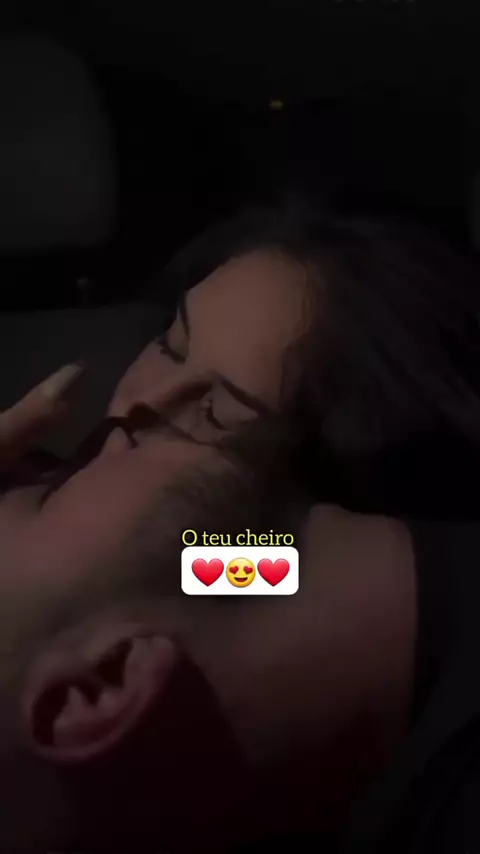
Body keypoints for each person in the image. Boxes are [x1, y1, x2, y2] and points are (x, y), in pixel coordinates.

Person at [2, 196, 480, 852]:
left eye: (213, 414)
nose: (130, 412)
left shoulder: (236, 561)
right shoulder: (223, 562)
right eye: (170, 347)